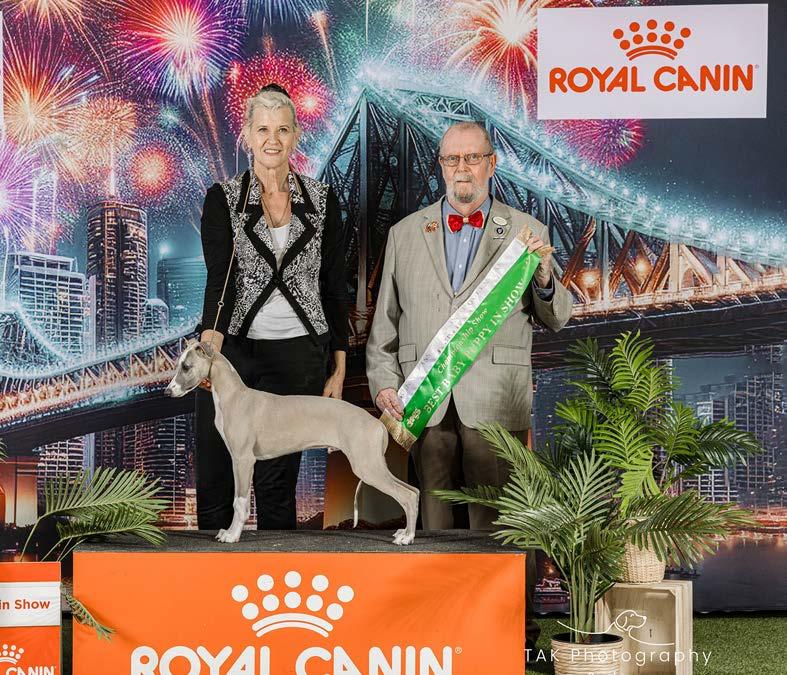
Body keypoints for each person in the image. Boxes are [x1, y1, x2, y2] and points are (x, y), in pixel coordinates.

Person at [366, 120, 573, 647]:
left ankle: (513, 634)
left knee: (499, 521)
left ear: (491, 164)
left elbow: (558, 317)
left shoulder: (526, 230)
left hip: (497, 401)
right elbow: (384, 325)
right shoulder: (403, 234)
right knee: (434, 521)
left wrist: (544, 279)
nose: (462, 169)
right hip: (425, 402)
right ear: (440, 165)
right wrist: (384, 383)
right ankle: (446, 632)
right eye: (452, 159)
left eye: (473, 158)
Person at [196, 83, 348, 531]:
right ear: (247, 135)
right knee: (218, 479)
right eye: (262, 129)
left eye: (282, 129)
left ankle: (277, 572)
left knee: (277, 490)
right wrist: (209, 351)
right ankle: (213, 571)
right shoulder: (223, 199)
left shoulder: (322, 200)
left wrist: (339, 366)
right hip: (234, 353)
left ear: (296, 135)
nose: (272, 140)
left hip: (298, 357)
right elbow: (220, 280)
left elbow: (334, 286)